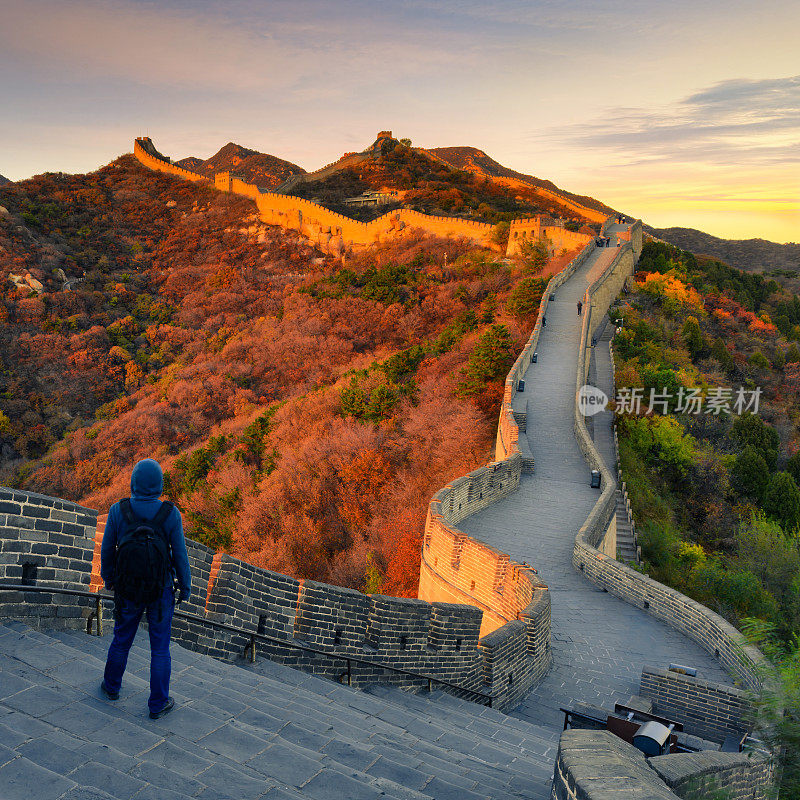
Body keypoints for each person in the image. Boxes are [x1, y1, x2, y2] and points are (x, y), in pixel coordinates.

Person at [100, 459, 191, 719]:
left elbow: (107, 549)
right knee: (160, 648)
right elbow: (180, 556)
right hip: (160, 591)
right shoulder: (170, 514)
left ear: (134, 482)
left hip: (127, 588)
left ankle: (111, 687)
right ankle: (158, 703)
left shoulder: (119, 511)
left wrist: (109, 579)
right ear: (159, 484)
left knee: (121, 639)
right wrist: (185, 587)